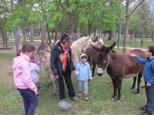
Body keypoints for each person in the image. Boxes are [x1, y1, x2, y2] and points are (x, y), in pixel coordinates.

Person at [50, 33, 79, 102]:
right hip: (59, 69)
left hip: (66, 68)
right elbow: (52, 62)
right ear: (63, 42)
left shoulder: (69, 49)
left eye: (69, 43)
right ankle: (62, 98)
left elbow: (70, 60)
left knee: (69, 81)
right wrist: (55, 73)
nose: (69, 45)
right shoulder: (55, 50)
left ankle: (72, 95)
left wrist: (73, 69)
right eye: (68, 43)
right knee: (61, 84)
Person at [12, 43, 39, 115]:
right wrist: (34, 88)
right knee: (35, 101)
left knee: (27, 101)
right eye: (32, 53)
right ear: (26, 52)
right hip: (24, 87)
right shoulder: (24, 62)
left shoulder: (19, 59)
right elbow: (26, 79)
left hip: (19, 86)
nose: (33, 54)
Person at [129, 46, 154, 115]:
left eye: (147, 51)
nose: (145, 52)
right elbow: (141, 61)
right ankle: (148, 106)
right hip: (148, 82)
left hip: (151, 83)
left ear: (151, 53)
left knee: (151, 97)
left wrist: (150, 82)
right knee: (148, 95)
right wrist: (134, 56)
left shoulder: (153, 62)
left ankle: (149, 112)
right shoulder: (148, 60)